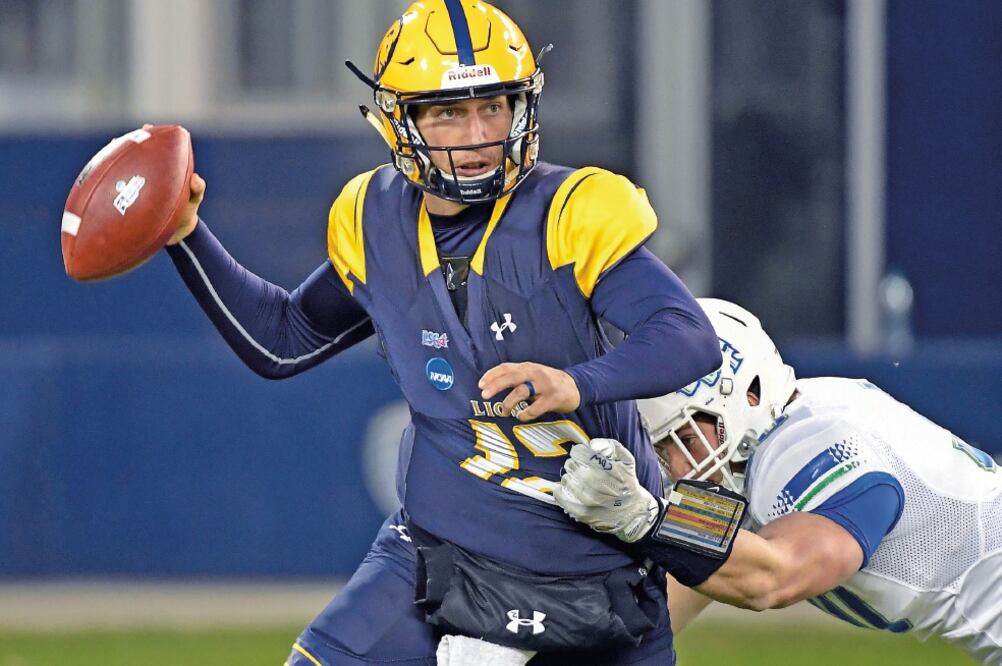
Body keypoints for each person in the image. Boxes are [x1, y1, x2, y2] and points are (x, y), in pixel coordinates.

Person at [160, 1, 722, 663]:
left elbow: (687, 334)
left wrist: (575, 382)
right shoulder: (372, 217)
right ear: (400, 121)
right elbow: (284, 340)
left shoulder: (571, 212)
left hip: (587, 570)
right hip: (432, 557)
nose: (479, 132)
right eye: (448, 112)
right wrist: (184, 235)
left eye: (494, 106)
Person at [554, 298, 1002, 664]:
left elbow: (774, 576)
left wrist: (646, 518)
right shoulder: (764, 444)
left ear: (749, 393)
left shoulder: (804, 447)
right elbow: (665, 603)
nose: (677, 468)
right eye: (662, 450)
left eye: (685, 437)